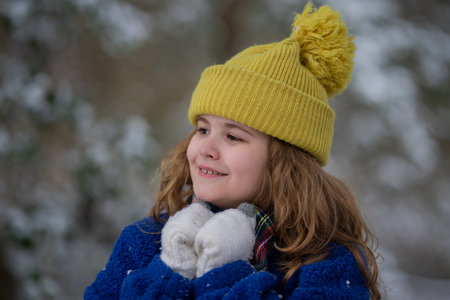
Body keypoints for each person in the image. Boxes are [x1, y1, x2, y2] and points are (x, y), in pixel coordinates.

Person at [84, 2, 381, 299]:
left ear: (286, 161)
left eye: (233, 137)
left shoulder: (325, 264)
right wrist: (173, 269)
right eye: (203, 130)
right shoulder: (145, 242)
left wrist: (221, 270)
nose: (206, 149)